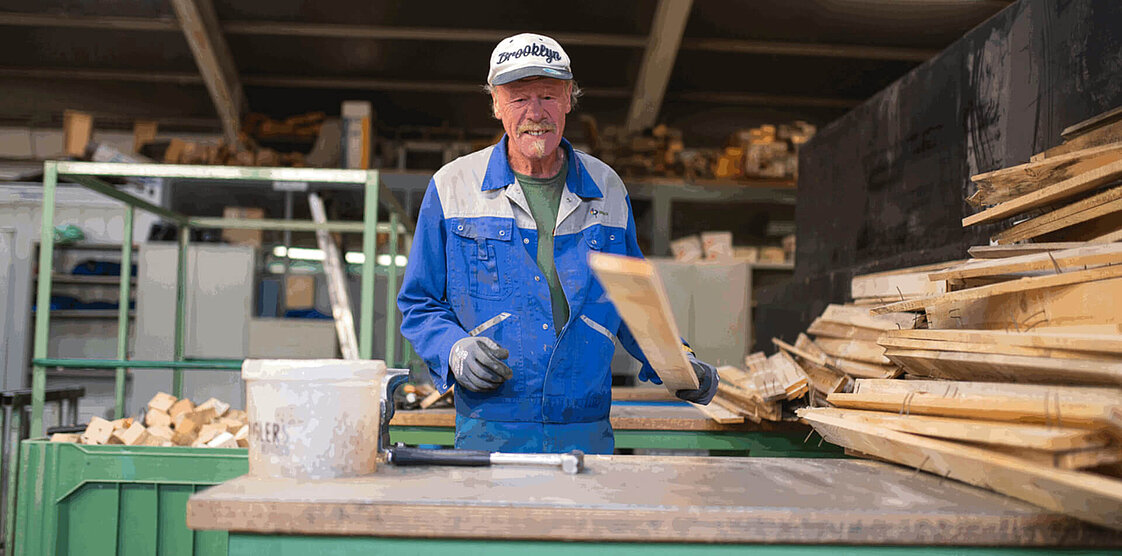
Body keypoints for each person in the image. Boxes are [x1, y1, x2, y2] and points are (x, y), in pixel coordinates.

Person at [398, 33, 718, 454]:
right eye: (518, 98)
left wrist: (680, 362)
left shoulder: (606, 188)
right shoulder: (452, 187)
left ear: (569, 98)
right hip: (490, 429)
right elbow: (419, 302)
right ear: (496, 104)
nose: (536, 113)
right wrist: (452, 349)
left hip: (585, 429)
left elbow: (634, 305)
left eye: (548, 96)